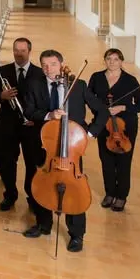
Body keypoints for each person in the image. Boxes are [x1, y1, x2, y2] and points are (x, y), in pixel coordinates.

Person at [22, 49, 108, 252]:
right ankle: (43, 224)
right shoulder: (34, 84)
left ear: (61, 64)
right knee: (43, 183)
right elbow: (29, 111)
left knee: (73, 189)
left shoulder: (78, 85)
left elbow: (102, 111)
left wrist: (89, 134)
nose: (48, 68)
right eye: (44, 65)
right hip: (46, 145)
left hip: (71, 150)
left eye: (53, 64)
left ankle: (76, 234)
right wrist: (48, 115)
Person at [88, 48, 140, 212]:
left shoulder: (130, 80)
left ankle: (121, 196)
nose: (112, 62)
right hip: (104, 124)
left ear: (121, 61)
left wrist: (123, 107)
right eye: (109, 59)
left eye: (116, 59)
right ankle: (109, 193)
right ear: (104, 60)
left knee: (123, 161)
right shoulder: (97, 77)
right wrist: (101, 110)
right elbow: (90, 99)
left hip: (125, 126)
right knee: (106, 160)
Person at [0, 37, 43, 212]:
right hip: (8, 125)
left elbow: (43, 99)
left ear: (29, 51)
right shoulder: (3, 71)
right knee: (8, 161)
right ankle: (10, 194)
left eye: (23, 50)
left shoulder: (39, 73)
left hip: (31, 125)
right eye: (16, 50)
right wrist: (1, 96)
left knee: (32, 163)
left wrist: (36, 118)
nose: (19, 54)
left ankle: (32, 196)